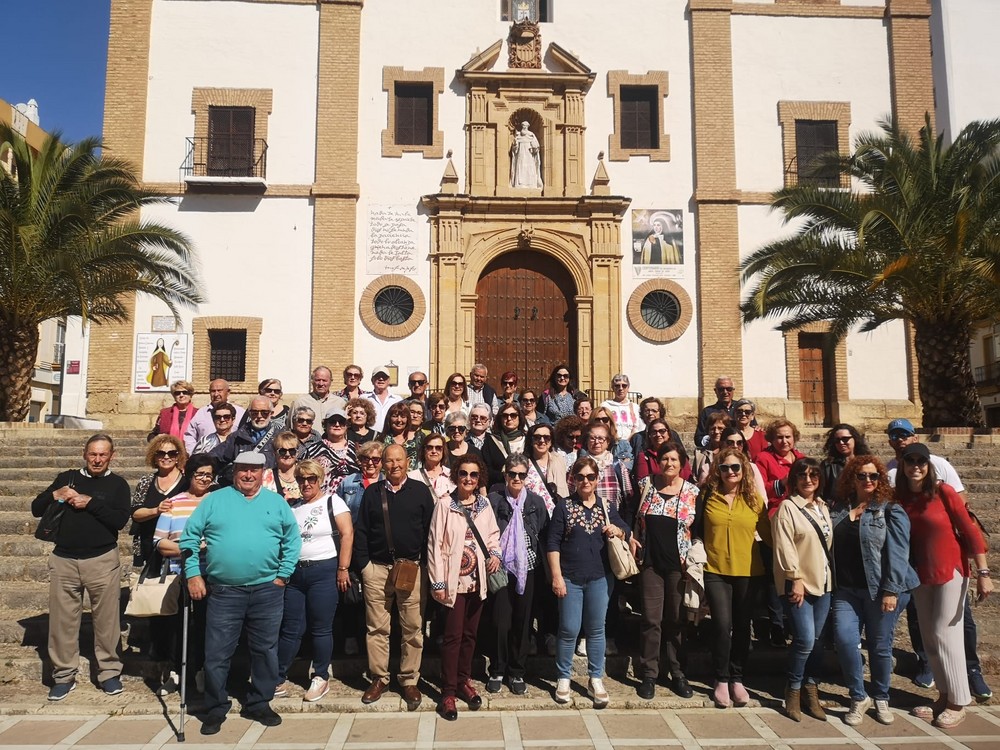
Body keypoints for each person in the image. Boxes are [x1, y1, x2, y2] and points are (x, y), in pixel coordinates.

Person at [180, 452, 301, 735]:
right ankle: (215, 707)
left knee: (265, 650)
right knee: (216, 653)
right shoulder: (215, 500)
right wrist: (194, 574)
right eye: (243, 470)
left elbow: (292, 540)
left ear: (263, 473)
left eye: (254, 470)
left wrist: (283, 574)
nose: (248, 475)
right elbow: (189, 537)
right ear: (235, 472)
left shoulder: (276, 502)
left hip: (267, 590)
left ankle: (259, 702)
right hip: (223, 591)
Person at [884, 419, 992, 699]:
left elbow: (970, 530)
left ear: (929, 465)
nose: (916, 466)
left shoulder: (943, 491)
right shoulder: (902, 498)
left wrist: (983, 573)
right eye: (911, 461)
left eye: (921, 461)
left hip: (951, 570)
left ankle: (958, 701)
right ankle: (945, 695)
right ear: (903, 465)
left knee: (946, 633)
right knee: (930, 638)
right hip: (921, 573)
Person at [31, 434, 131, 701]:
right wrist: (55, 494)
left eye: (103, 455)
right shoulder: (66, 477)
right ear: (84, 454)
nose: (97, 459)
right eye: (93, 454)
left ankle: (109, 673)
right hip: (64, 560)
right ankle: (63, 676)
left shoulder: (118, 484)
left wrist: (91, 503)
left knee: (107, 622)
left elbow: (120, 520)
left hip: (102, 560)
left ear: (112, 455)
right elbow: (35, 508)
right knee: (62, 622)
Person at [830, 455, 919, 727]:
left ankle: (881, 696)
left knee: (880, 646)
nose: (868, 480)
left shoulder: (889, 509)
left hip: (881, 589)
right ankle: (859, 696)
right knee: (845, 641)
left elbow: (899, 552)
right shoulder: (838, 508)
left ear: (880, 479)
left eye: (873, 476)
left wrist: (891, 589)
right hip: (846, 590)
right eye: (861, 476)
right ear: (851, 478)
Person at [353, 444, 435, 710]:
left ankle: (409, 679)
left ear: (407, 461)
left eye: (399, 460)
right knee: (376, 627)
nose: (394, 465)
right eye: (389, 461)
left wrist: (424, 566)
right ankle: (379, 677)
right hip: (377, 569)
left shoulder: (421, 492)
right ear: (383, 464)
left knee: (412, 627)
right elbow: (362, 530)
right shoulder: (372, 493)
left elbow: (429, 533)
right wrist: (364, 566)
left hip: (411, 569)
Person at [547, 455, 630, 708]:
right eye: (580, 477)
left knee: (596, 630)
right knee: (569, 629)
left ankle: (596, 678)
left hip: (599, 578)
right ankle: (564, 677)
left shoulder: (606, 507)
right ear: (573, 479)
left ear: (597, 480)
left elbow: (625, 529)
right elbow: (552, 543)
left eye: (590, 477)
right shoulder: (564, 507)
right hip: (570, 578)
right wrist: (557, 576)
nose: (585, 481)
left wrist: (618, 530)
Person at [692, 447, 770, 709]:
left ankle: (738, 678)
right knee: (722, 626)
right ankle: (721, 678)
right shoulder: (707, 495)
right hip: (715, 569)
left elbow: (769, 535)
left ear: (743, 469)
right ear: (718, 470)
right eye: (725, 467)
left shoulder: (754, 500)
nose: (730, 472)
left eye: (735, 467)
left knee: (742, 625)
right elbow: (696, 528)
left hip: (749, 571)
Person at [427, 454, 502, 720]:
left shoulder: (484, 505)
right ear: (455, 476)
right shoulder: (445, 504)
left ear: (479, 477)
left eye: (473, 475)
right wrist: (437, 581)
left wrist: (495, 554)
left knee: (470, 635)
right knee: (453, 637)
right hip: (452, 581)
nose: (468, 479)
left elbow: (493, 535)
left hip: (477, 580)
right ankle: (447, 691)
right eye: (463, 474)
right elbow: (434, 544)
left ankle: (463, 681)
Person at [274, 460, 354, 703]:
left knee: (321, 626)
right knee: (291, 628)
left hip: (324, 570)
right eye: (301, 479)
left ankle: (320, 675)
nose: (306, 483)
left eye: (311, 479)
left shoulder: (332, 501)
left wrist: (343, 568)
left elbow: (347, 534)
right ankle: (277, 676)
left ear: (320, 480)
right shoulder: (293, 507)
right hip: (296, 574)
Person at [631, 442, 698, 700]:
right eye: (665, 459)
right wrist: (630, 537)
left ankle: (678, 672)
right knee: (651, 619)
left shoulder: (693, 492)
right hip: (650, 564)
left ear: (682, 463)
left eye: (673, 459)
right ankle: (649, 673)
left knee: (676, 619)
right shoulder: (646, 486)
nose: (669, 463)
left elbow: (698, 529)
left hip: (678, 567)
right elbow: (633, 516)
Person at [771, 458, 833, 723]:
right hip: (799, 584)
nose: (809, 480)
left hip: (824, 583)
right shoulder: (788, 507)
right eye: (803, 475)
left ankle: (811, 690)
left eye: (814, 475)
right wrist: (794, 578)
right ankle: (793, 690)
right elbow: (784, 545)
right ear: (794, 479)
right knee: (805, 639)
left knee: (816, 643)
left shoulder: (823, 507)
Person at [151, 454, 218, 695]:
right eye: (199, 474)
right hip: (178, 574)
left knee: (205, 625)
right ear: (190, 475)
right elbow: (159, 542)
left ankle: (200, 670)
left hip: (212, 573)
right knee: (176, 627)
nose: (204, 478)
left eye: (208, 474)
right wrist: (188, 547)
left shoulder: (218, 502)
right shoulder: (175, 502)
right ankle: (175, 672)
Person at [487, 454, 549, 695]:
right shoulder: (493, 500)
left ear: (526, 476)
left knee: (523, 621)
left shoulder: (535, 502)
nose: (516, 478)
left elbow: (542, 532)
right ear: (505, 475)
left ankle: (517, 671)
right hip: (500, 568)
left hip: (528, 569)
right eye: (512, 474)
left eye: (521, 474)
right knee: (501, 621)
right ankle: (498, 668)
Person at [334, 441, 383, 656]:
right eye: (366, 459)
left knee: (378, 596)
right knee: (350, 593)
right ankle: (351, 635)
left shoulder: (387, 482)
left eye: (376, 459)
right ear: (359, 460)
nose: (370, 463)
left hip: (378, 545)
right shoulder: (348, 483)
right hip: (353, 546)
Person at [130, 435, 189, 571]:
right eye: (161, 453)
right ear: (154, 457)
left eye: (172, 453)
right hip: (149, 545)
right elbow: (135, 513)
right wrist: (156, 510)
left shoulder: (187, 481)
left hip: (178, 548)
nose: (166, 457)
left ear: (178, 456)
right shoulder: (146, 481)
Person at [210, 395, 283, 484]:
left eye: (264, 412)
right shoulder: (237, 436)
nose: (259, 416)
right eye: (255, 413)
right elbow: (214, 457)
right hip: (243, 486)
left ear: (271, 414)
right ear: (249, 413)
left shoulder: (280, 437)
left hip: (269, 486)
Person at [300, 407, 360, 495]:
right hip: (323, 499)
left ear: (347, 425)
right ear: (325, 425)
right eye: (332, 421)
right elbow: (302, 473)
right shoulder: (313, 449)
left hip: (353, 499)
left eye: (341, 422)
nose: (337, 424)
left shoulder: (356, 449)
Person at [184, 379, 246, 453]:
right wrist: (194, 453)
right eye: (213, 391)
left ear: (228, 392)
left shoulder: (240, 413)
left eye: (219, 391)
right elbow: (189, 435)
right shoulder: (201, 413)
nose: (216, 394)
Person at [524, 422, 569, 515]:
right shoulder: (523, 463)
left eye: (546, 437)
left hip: (555, 514)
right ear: (531, 440)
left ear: (551, 441)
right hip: (531, 515)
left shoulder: (559, 460)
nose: (542, 440)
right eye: (537, 437)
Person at [820, 424, 870, 506]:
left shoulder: (867, 463)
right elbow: (821, 492)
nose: (841, 443)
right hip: (837, 512)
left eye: (845, 439)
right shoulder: (828, 465)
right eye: (837, 440)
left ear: (855, 439)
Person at [694, 376, 738, 448]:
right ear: (715, 391)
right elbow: (698, 439)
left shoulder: (742, 409)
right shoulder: (707, 412)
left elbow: (752, 428)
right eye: (721, 389)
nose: (725, 392)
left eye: (728, 389)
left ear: (733, 390)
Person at [410, 432, 455, 502]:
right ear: (424, 450)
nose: (434, 451)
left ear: (443, 451)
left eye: (438, 448)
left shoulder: (453, 476)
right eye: (429, 447)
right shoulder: (412, 477)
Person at [262, 431, 303, 502]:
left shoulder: (305, 473)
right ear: (274, 453)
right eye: (282, 451)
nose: (287, 454)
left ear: (297, 453)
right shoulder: (265, 476)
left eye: (292, 451)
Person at [692, 410, 731, 486]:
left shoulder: (732, 452)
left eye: (720, 428)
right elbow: (695, 479)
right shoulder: (699, 454)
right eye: (712, 429)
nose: (716, 431)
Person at [382, 401, 423, 470]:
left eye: (403, 416)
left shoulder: (419, 439)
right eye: (395, 416)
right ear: (389, 419)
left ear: (408, 419)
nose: (399, 420)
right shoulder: (381, 439)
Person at [600, 373, 643, 438]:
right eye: (617, 386)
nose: (620, 388)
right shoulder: (605, 406)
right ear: (612, 388)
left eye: (624, 386)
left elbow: (641, 427)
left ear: (628, 388)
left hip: (631, 444)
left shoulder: (635, 407)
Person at [365, 366, 403, 433]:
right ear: (372, 380)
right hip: (371, 439)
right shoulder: (364, 398)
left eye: (384, 377)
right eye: (377, 377)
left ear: (389, 380)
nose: (381, 379)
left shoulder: (397, 400)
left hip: (391, 437)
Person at [510, 120, 542, 189]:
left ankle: (531, 184)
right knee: (520, 167)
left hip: (529, 155)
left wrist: (534, 148)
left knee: (529, 168)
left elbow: (536, 147)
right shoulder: (518, 135)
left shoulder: (531, 135)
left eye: (526, 125)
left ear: (528, 126)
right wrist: (515, 144)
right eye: (523, 125)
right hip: (520, 154)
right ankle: (519, 184)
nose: (524, 127)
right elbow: (514, 149)